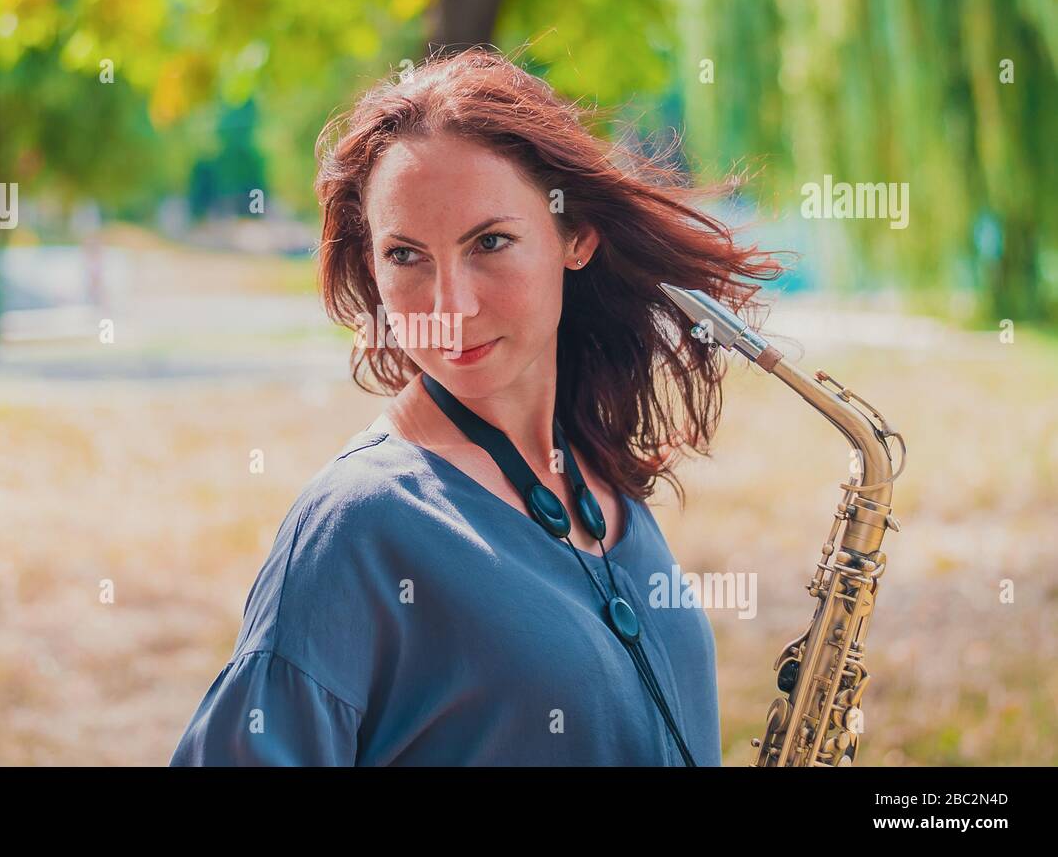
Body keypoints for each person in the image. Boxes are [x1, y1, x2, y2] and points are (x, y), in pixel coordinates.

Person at [170, 45, 785, 766]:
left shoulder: (597, 476)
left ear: (576, 235)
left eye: (489, 241)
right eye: (405, 255)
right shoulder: (354, 528)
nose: (449, 305)